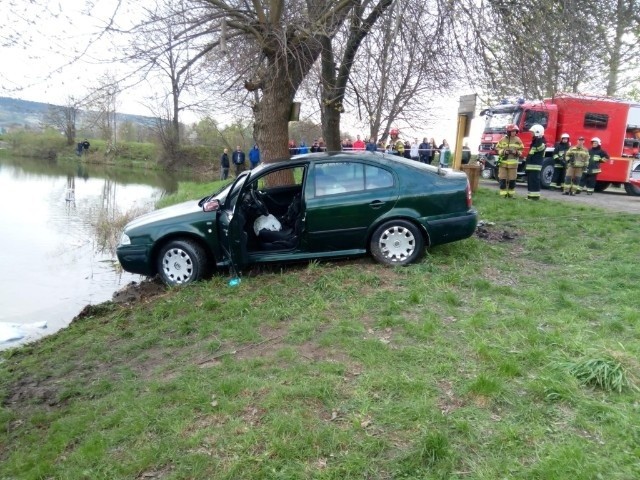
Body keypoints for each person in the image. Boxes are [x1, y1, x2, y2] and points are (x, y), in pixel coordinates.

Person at [495, 124, 524, 198]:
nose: (514, 133)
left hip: (513, 164)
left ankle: (511, 195)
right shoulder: (502, 139)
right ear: (508, 132)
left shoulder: (518, 140)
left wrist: (516, 152)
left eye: (515, 131)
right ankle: (503, 195)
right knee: (502, 178)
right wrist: (504, 151)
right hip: (503, 163)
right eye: (512, 131)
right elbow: (497, 148)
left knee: (512, 179)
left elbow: (522, 150)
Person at [525, 124, 547, 200]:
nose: (531, 134)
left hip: (535, 166)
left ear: (537, 132)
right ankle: (530, 197)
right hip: (531, 165)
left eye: (533, 132)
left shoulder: (541, 142)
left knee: (534, 181)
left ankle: (535, 197)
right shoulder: (535, 141)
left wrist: (539, 138)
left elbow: (539, 148)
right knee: (531, 181)